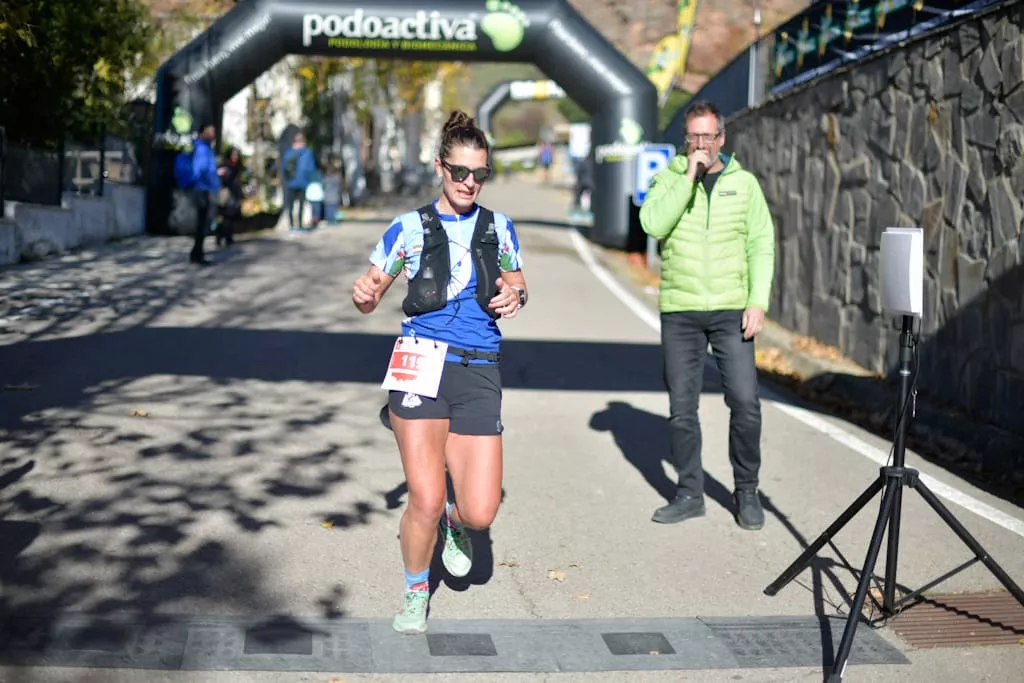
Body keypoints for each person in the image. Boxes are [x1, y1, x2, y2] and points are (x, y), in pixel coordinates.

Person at [351, 110, 528, 634]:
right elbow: (371, 291)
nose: (470, 182)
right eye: (460, 172)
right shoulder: (407, 228)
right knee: (423, 498)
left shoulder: (500, 228)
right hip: (420, 362)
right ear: (440, 168)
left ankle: (456, 524)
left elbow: (517, 282)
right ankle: (414, 591)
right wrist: (363, 295)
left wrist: (516, 295)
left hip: (478, 368)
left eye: (480, 174)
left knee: (480, 511)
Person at [638, 99, 776, 531]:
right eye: (693, 136)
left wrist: (758, 301)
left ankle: (747, 490)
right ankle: (689, 493)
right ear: (686, 138)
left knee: (746, 403)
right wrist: (688, 178)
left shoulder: (745, 184)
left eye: (708, 136)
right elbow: (653, 224)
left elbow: (761, 244)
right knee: (682, 409)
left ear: (722, 138)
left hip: (732, 308)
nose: (701, 143)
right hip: (681, 309)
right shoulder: (668, 178)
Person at [174, 123, 220, 265]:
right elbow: (200, 170)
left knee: (203, 222)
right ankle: (197, 254)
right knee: (202, 223)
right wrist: (213, 177)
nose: (213, 134)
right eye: (210, 131)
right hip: (202, 189)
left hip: (203, 188)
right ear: (202, 133)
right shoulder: (202, 149)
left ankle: (197, 253)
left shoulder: (204, 148)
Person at [282, 132, 316, 231]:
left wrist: (287, 179)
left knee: (291, 205)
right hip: (303, 182)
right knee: (301, 204)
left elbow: (284, 168)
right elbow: (311, 168)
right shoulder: (307, 152)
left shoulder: (288, 153)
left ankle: (292, 226)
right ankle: (300, 225)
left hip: (291, 182)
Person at [216, 146, 244, 247]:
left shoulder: (237, 166)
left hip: (235, 193)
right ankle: (222, 236)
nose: (235, 156)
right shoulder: (225, 165)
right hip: (227, 194)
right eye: (234, 154)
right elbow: (224, 181)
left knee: (231, 217)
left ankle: (227, 237)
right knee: (227, 216)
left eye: (237, 155)